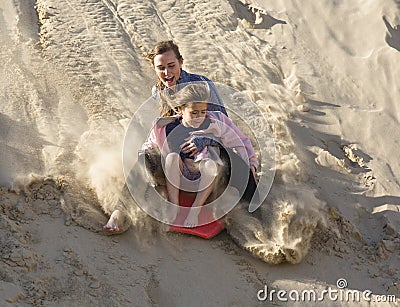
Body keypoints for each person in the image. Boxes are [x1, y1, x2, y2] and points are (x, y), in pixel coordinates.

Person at [139, 83, 258, 227]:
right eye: (194, 113)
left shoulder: (214, 122)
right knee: (172, 157)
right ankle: (174, 205)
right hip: (178, 176)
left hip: (206, 179)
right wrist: (142, 156)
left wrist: (251, 164)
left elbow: (240, 141)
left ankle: (195, 210)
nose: (199, 117)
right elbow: (150, 145)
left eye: (203, 112)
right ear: (180, 110)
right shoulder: (165, 127)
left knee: (211, 165)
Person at [144, 40, 227, 117]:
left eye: (171, 66)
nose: (167, 73)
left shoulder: (202, 84)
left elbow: (222, 120)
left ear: (181, 62)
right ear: (154, 68)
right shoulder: (157, 91)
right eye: (161, 68)